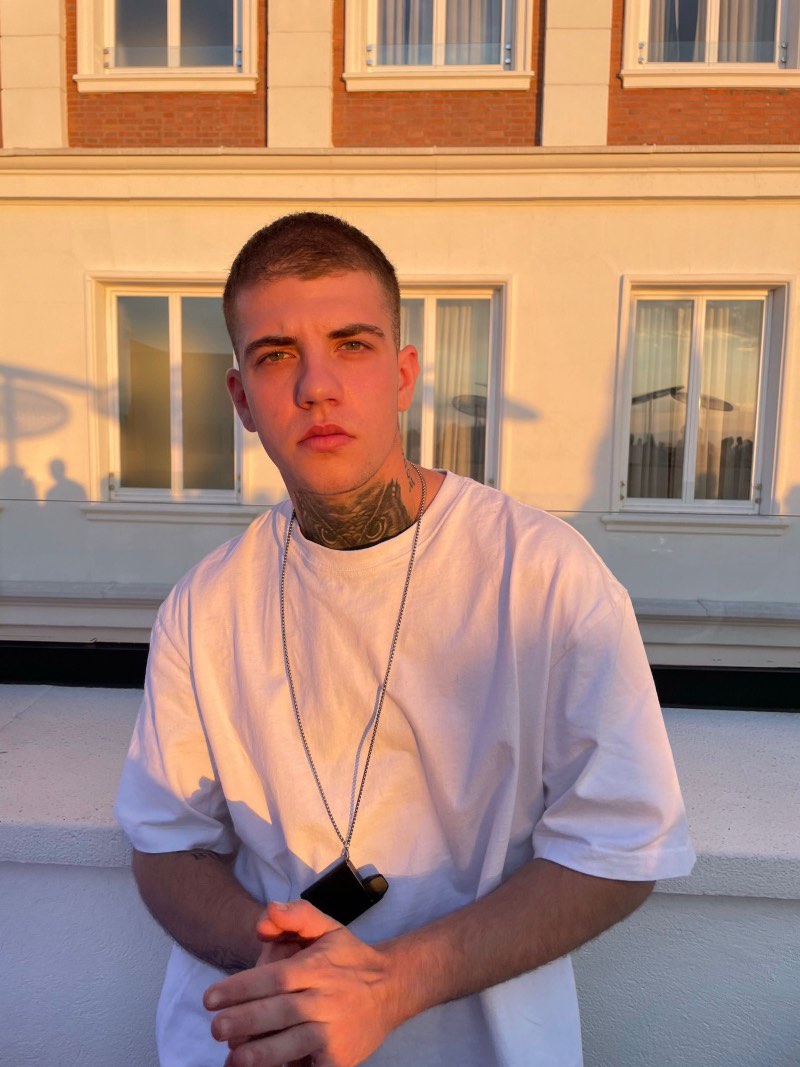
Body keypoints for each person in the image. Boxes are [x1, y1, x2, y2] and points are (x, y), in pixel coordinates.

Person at [115, 212, 695, 1067]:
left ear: (402, 375)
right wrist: (278, 959)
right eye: (276, 354)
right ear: (241, 399)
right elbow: (166, 846)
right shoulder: (204, 606)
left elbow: (623, 843)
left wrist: (390, 986)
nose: (316, 386)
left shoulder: (541, 575)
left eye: (351, 344)